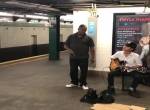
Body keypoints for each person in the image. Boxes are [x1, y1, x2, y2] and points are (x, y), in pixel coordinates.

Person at [64, 24, 95, 90]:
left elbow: (92, 48)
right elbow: (65, 45)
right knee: (73, 71)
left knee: (84, 71)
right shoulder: (71, 36)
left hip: (84, 58)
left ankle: (83, 84)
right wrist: (69, 50)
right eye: (82, 30)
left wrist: (93, 58)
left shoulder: (88, 38)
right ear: (78, 29)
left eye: (85, 30)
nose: (83, 31)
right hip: (73, 58)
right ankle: (74, 82)